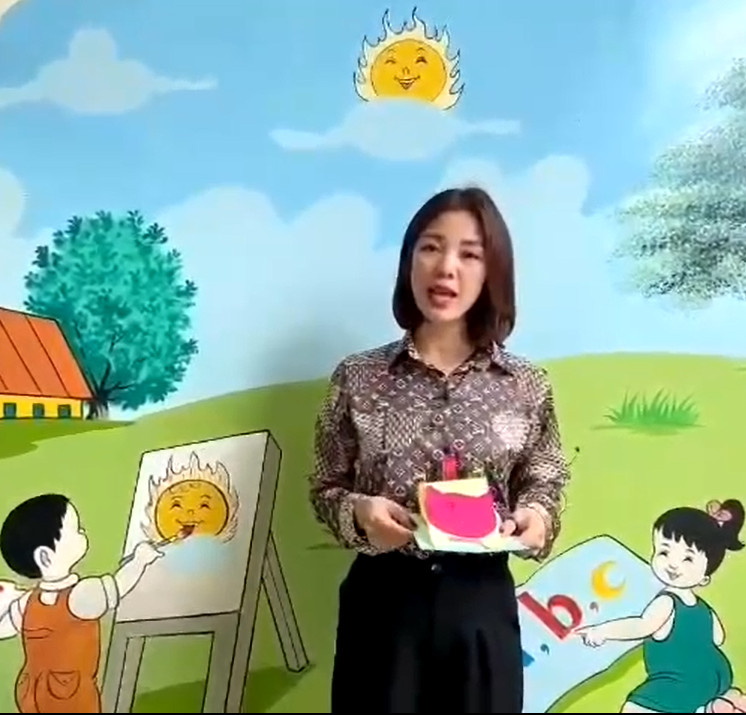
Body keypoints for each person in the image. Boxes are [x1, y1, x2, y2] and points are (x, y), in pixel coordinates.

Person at [309, 187, 571, 713]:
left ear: (492, 270)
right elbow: (325, 486)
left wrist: (537, 517)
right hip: (383, 605)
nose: (446, 267)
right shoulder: (358, 377)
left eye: (469, 254)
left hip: (481, 604)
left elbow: (544, 479)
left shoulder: (526, 385)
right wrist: (359, 512)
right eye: (430, 247)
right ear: (409, 260)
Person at [576, 498, 746, 714]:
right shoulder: (705, 610)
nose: (673, 564)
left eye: (687, 559)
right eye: (664, 552)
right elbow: (718, 638)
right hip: (715, 677)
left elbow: (641, 626)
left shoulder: (667, 602)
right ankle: (711, 706)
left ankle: (709, 708)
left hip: (677, 682)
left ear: (704, 577)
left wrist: (602, 631)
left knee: (633, 708)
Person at [0, 493, 162, 713]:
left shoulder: (27, 602)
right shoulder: (81, 595)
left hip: (31, 693)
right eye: (76, 530)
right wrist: (140, 560)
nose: (83, 533)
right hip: (70, 695)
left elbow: (5, 628)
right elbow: (119, 585)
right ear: (46, 557)